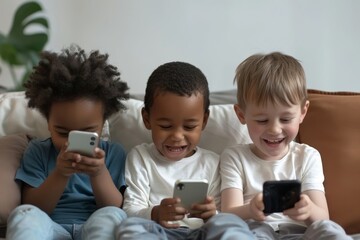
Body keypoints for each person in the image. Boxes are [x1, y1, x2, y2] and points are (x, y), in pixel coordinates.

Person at [220, 52, 352, 239]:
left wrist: (308, 209)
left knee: (330, 231)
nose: (274, 129)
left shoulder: (307, 156)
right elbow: (227, 215)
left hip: (300, 233)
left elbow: (323, 218)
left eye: (285, 119)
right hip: (256, 231)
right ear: (241, 115)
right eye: (262, 120)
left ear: (302, 112)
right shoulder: (234, 157)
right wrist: (250, 210)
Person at [117, 61, 254, 239]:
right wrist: (156, 213)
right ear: (147, 119)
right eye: (166, 126)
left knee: (231, 223)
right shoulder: (140, 157)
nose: (177, 136)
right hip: (159, 233)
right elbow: (130, 210)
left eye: (189, 127)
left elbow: (222, 214)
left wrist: (212, 214)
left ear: (204, 121)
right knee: (129, 227)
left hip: (201, 233)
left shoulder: (213, 162)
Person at [6, 45, 130, 240]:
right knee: (25, 215)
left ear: (102, 125)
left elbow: (114, 206)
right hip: (51, 227)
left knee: (114, 216)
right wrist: (60, 173)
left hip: (94, 225)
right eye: (63, 132)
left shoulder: (114, 153)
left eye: (88, 132)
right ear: (48, 123)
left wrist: (98, 173)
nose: (71, 142)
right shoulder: (38, 151)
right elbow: (35, 207)